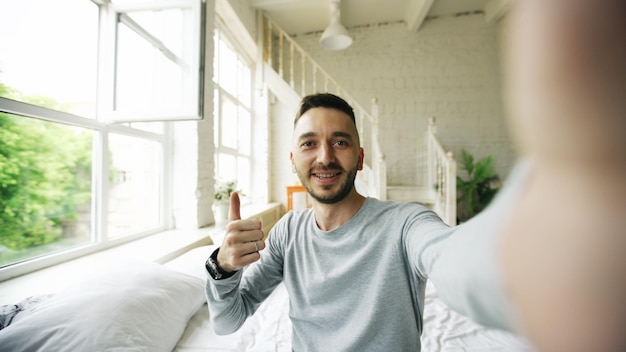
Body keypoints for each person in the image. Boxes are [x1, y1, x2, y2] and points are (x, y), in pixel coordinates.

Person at [205, 0, 626, 351]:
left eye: (340, 141)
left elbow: (449, 257)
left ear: (361, 157)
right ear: (294, 158)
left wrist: (526, 254)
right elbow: (228, 322)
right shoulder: (286, 234)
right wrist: (223, 267)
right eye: (310, 143)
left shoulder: (404, 223)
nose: (325, 156)